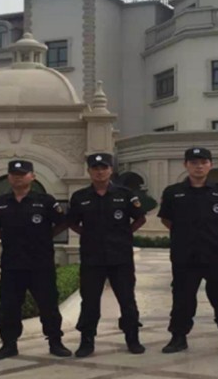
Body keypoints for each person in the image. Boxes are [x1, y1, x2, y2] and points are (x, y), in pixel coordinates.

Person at [158, 147, 218, 354]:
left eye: (203, 162)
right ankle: (178, 337)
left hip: (217, 253)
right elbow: (166, 220)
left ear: (210, 165)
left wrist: (211, 233)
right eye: (193, 162)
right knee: (182, 296)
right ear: (186, 165)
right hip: (185, 254)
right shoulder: (173, 192)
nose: (198, 166)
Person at [0, 160, 72, 359]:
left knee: (48, 305)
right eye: (14, 174)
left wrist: (44, 237)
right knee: (9, 306)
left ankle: (55, 342)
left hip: (40, 264)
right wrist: (9, 239)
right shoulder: (0, 203)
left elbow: (61, 223)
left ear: (32, 176)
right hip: (12, 264)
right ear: (9, 177)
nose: (18, 177)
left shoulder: (46, 201)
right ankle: (9, 344)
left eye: (22, 174)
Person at [68, 153, 147, 357]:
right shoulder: (80, 197)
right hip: (92, 258)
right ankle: (87, 340)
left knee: (127, 299)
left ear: (111, 170)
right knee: (89, 301)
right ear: (89, 171)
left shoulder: (125, 194)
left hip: (120, 257)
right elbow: (72, 222)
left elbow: (140, 218)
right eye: (95, 168)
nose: (100, 172)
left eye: (104, 168)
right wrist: (88, 235)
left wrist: (124, 234)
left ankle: (132, 337)